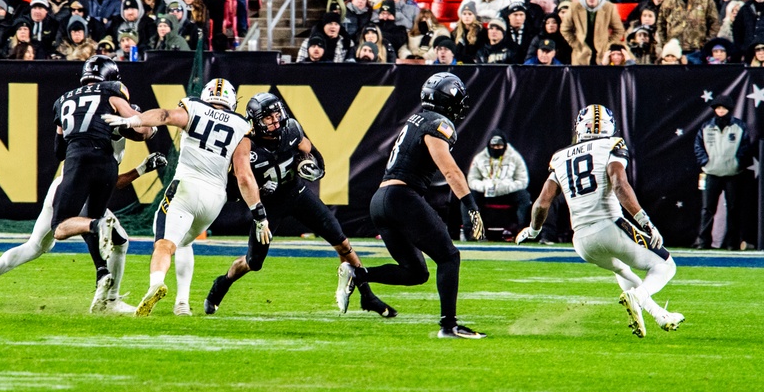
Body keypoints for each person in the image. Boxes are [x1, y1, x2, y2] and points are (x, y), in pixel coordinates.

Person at [0, 58, 164, 311]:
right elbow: (133, 141)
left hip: (66, 180)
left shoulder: (71, 102)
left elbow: (60, 150)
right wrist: (145, 143)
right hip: (81, 183)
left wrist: (141, 169)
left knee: (36, 246)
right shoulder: (113, 117)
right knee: (98, 230)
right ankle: (107, 297)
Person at [204, 92, 389, 315]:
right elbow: (238, 185)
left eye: (277, 115)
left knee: (341, 241)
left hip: (297, 193)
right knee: (253, 262)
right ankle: (222, 284)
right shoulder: (244, 143)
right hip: (268, 206)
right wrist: (259, 201)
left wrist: (310, 166)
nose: (275, 121)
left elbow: (315, 157)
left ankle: (367, 295)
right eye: (268, 118)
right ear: (255, 121)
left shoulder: (291, 129)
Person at [101, 78, 267, 317]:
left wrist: (132, 120)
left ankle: (156, 283)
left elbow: (165, 115)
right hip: (214, 200)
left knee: (165, 244)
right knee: (186, 242)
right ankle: (182, 304)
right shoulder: (241, 126)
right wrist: (259, 214)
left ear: (207, 94)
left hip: (186, 188)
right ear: (231, 100)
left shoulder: (195, 108)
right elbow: (244, 176)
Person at [516, 104, 684, 338]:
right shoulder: (612, 145)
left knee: (623, 270)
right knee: (665, 265)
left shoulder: (560, 157)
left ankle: (658, 315)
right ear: (610, 126)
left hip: (582, 242)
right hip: (609, 227)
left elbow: (543, 203)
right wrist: (644, 220)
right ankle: (639, 297)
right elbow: (619, 184)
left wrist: (533, 231)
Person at [358, 74, 487, 336]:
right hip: (402, 198)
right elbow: (449, 171)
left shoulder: (416, 119)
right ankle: (448, 326)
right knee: (449, 256)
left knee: (415, 272)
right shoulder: (439, 124)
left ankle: (358, 275)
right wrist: (470, 205)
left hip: (380, 200)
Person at [45, 57, 157, 300]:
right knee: (92, 217)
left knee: (60, 227)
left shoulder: (62, 99)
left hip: (78, 160)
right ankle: (102, 272)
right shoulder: (113, 90)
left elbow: (58, 151)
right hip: (107, 164)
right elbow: (141, 128)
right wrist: (149, 129)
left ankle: (97, 226)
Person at [693, 95, 750, 250]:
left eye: (723, 108)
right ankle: (703, 242)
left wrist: (738, 163)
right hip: (711, 172)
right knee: (707, 209)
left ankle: (732, 243)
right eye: (718, 108)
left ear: (729, 109)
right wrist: (705, 161)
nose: (720, 110)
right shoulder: (706, 127)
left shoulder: (739, 127)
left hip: (733, 174)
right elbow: (698, 146)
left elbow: (746, 147)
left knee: (733, 209)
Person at [461, 129, 530, 238]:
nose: (497, 148)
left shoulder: (514, 157)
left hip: (507, 192)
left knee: (524, 196)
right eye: (494, 146)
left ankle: (521, 231)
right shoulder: (480, 158)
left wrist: (506, 187)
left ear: (505, 145)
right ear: (489, 145)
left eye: (499, 146)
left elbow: (523, 180)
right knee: (468, 197)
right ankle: (469, 231)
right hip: (487, 192)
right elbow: (472, 180)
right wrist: (484, 187)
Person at [655, 0, 720, 64]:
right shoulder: (668, 2)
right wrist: (667, 44)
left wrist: (706, 44)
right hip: (674, 53)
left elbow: (714, 23)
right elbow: (661, 25)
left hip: (697, 51)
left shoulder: (705, 0)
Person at [561, 0, 625, 65]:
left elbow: (619, 30)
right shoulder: (574, 7)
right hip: (581, 54)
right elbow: (565, 29)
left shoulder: (609, 7)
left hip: (602, 54)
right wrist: (576, 44)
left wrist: (608, 45)